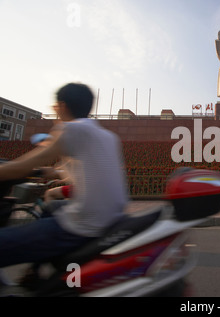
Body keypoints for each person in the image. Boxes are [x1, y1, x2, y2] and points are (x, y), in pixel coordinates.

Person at [0, 83, 128, 269]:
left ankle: (36, 269)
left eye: (55, 107)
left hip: (81, 226)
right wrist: (49, 172)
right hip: (112, 218)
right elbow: (80, 170)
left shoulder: (72, 129)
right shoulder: (108, 136)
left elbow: (22, 166)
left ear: (63, 106)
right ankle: (38, 271)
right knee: (52, 207)